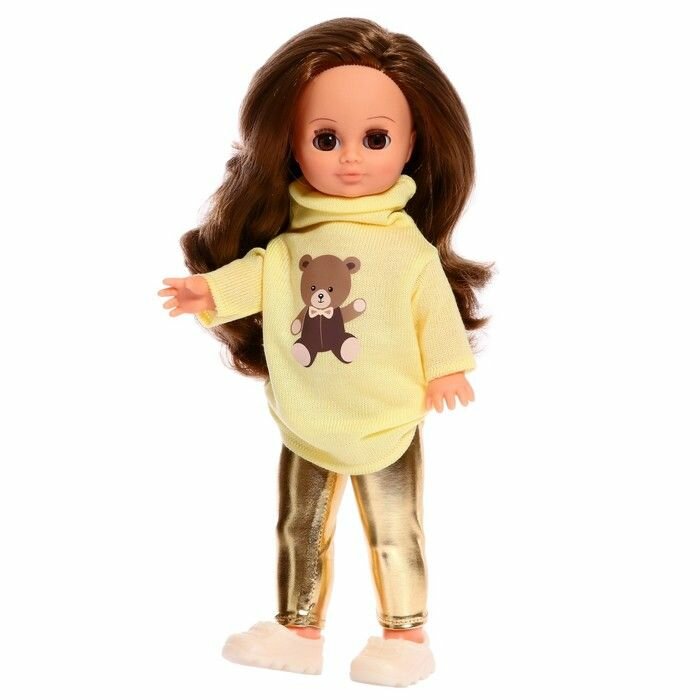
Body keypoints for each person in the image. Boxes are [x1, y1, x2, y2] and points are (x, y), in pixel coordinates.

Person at [158, 17, 492, 687]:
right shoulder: (289, 248)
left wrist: (448, 367)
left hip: (388, 418)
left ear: (412, 143)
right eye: (326, 138)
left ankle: (406, 636)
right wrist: (208, 291)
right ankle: (298, 629)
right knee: (298, 527)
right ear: (291, 143)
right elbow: (256, 276)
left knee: (395, 531)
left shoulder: (408, 249)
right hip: (307, 417)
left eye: (376, 138)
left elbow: (434, 310)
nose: (350, 159)